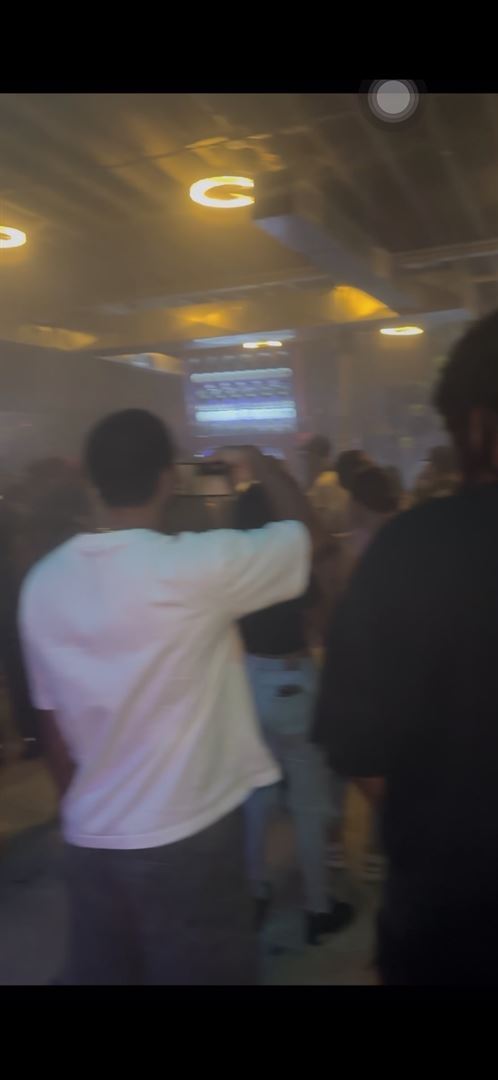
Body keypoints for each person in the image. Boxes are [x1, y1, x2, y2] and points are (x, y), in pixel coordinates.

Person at [18, 410, 311, 986]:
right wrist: (265, 465)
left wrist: (88, 813)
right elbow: (307, 537)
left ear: (92, 485)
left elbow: (51, 726)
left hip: (91, 842)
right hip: (189, 837)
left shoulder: (43, 584)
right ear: (167, 480)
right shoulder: (195, 567)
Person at [314, 307, 498, 985]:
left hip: (447, 920)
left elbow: (356, 744)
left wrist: (443, 819)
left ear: (473, 424)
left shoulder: (410, 550)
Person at [226, 448, 354, 945]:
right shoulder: (287, 566)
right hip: (292, 681)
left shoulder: (232, 569)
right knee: (308, 802)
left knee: (257, 797)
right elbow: (323, 624)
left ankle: (255, 891)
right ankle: (318, 907)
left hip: (250, 682)